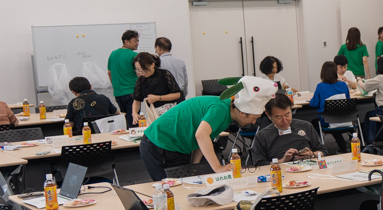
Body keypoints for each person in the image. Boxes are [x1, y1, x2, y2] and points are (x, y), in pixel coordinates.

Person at [138, 76, 271, 181]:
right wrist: (218, 168)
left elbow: (203, 139)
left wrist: (194, 167)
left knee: (186, 183)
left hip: (177, 146)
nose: (254, 122)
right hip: (159, 144)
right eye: (254, 118)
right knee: (171, 189)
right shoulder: (220, 109)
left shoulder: (227, 112)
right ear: (242, 113)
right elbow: (201, 135)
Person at [250, 92, 326, 166]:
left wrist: (312, 154)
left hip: (308, 168)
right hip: (279, 171)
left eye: (287, 114)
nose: (284, 120)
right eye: (278, 117)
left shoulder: (306, 126)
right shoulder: (262, 136)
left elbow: (323, 152)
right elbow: (258, 164)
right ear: (269, 116)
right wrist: (282, 161)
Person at [131, 52, 182, 125]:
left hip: (169, 113)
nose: (142, 73)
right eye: (138, 70)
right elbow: (136, 101)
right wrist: (134, 113)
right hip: (153, 114)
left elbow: (177, 94)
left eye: (144, 69)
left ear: (152, 65)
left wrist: (158, 98)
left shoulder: (165, 74)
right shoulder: (141, 80)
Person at [107, 30, 140, 126]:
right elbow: (140, 73)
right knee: (134, 121)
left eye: (138, 41)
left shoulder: (113, 54)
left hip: (118, 93)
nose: (137, 43)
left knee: (126, 121)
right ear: (126, 41)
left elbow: (109, 72)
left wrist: (116, 86)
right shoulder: (133, 55)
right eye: (135, 41)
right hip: (132, 92)